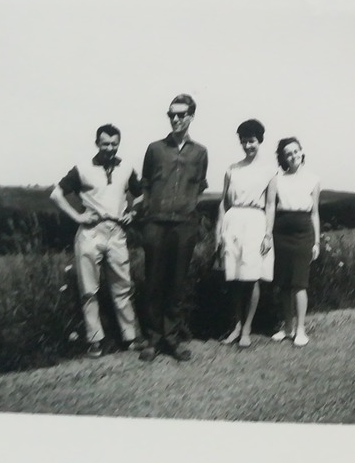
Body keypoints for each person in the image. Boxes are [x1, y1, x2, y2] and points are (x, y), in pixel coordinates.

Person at [49, 123, 146, 358]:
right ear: (97, 144)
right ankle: (95, 340)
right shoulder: (83, 169)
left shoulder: (126, 168)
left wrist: (132, 212)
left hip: (116, 232)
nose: (110, 148)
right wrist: (78, 216)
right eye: (105, 144)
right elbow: (56, 194)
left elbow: (142, 193)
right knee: (89, 290)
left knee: (123, 286)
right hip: (90, 232)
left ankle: (130, 337)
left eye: (114, 144)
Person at [137, 93, 210, 361]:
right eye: (171, 114)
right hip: (155, 224)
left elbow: (199, 186)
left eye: (181, 114)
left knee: (177, 283)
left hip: (184, 226)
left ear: (191, 116)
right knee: (154, 282)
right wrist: (148, 213)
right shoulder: (155, 149)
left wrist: (187, 209)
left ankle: (172, 339)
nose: (176, 119)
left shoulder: (200, 152)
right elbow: (145, 184)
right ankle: (153, 340)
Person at [215, 119, 276, 348]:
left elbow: (270, 205)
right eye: (243, 142)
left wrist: (268, 235)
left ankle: (247, 329)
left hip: (255, 224)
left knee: (251, 278)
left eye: (251, 141)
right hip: (233, 223)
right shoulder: (232, 169)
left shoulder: (270, 171)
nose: (248, 146)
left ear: (259, 141)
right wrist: (220, 232)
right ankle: (236, 326)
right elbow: (223, 203)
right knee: (234, 279)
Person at [268, 136, 321, 348]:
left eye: (296, 151)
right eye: (288, 153)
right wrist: (268, 234)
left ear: (302, 152)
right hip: (281, 232)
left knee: (299, 283)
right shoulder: (276, 179)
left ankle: (300, 330)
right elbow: (271, 207)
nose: (293, 156)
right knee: (283, 284)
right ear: (283, 157)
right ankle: (287, 327)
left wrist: (316, 242)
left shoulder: (314, 179)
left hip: (303, 231)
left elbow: (315, 212)